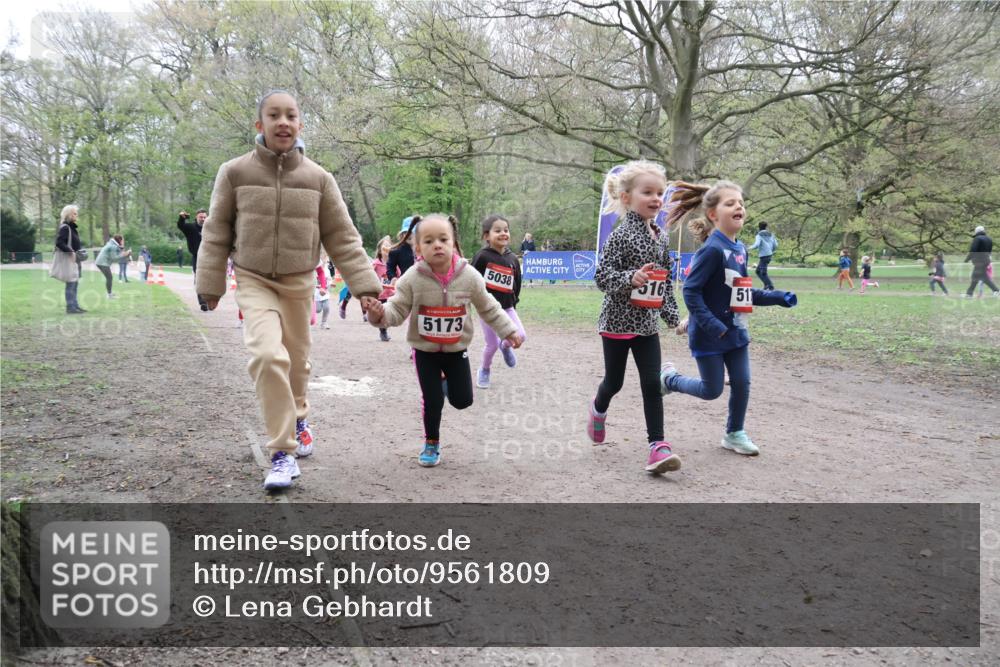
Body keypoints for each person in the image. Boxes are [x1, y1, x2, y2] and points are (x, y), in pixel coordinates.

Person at [196, 89, 381, 491]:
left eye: (291, 115)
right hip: (254, 279)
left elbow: (342, 237)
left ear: (300, 124)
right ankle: (282, 453)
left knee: (296, 363)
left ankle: (299, 418)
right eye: (274, 115)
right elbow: (216, 232)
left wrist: (365, 286)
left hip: (299, 281)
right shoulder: (234, 172)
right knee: (267, 356)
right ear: (259, 124)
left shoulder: (319, 179)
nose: (283, 122)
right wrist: (209, 284)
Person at [367, 214, 522, 467]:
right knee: (433, 400)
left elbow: (489, 307)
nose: (437, 245)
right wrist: (379, 315)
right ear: (418, 248)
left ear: (453, 243)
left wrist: (508, 330)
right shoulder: (412, 278)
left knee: (463, 401)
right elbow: (395, 311)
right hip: (424, 351)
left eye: (443, 239)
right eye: (428, 241)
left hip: (456, 350)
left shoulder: (469, 276)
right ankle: (431, 443)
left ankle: (445, 382)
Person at [660, 180, 797, 457]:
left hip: (735, 331)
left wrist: (778, 297)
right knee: (711, 390)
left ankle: (734, 433)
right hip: (710, 335)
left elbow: (742, 292)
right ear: (713, 214)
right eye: (731, 203)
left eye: (741, 203)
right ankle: (669, 379)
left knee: (742, 382)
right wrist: (712, 325)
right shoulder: (711, 250)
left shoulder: (740, 249)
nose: (739, 207)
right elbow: (691, 291)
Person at [585, 160, 681, 474]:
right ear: (627, 197)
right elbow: (602, 277)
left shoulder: (662, 237)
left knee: (652, 384)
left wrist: (673, 319)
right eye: (648, 192)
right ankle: (598, 408)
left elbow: (664, 283)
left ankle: (657, 446)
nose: (656, 199)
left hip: (646, 325)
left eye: (660, 193)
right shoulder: (621, 235)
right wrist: (631, 278)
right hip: (617, 323)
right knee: (614, 382)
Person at [472, 214, 526, 388]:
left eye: (506, 230)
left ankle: (505, 345)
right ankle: (484, 369)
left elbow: (517, 283)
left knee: (521, 336)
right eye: (497, 231)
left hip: (508, 307)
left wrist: (514, 303)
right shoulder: (482, 257)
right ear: (486, 236)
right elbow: (472, 280)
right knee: (492, 345)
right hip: (487, 310)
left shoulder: (512, 259)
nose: (503, 233)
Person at [55, 205, 86, 314]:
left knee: (75, 283)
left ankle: (75, 306)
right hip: (70, 259)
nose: (76, 215)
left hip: (75, 260)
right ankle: (70, 307)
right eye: (74, 213)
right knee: (71, 283)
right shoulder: (65, 227)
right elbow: (59, 243)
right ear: (68, 215)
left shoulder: (72, 227)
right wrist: (70, 251)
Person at [178, 209, 208, 310]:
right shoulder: (191, 228)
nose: (203, 219)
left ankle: (210, 299)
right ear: (196, 217)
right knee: (199, 278)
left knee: (210, 279)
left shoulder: (210, 227)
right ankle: (203, 302)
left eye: (204, 217)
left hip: (210, 257)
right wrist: (182, 218)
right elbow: (181, 226)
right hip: (197, 257)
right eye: (201, 217)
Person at [372, 235, 398, 342]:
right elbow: (370, 274)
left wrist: (396, 280)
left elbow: (398, 275)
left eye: (389, 246)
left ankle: (384, 329)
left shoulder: (393, 263)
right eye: (384, 247)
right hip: (380, 294)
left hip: (391, 293)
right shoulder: (376, 264)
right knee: (381, 313)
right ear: (380, 250)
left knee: (388, 313)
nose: (387, 249)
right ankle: (383, 332)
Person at [964, 225, 998, 297]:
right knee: (982, 277)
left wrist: (967, 259)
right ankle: (996, 290)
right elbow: (989, 251)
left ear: (976, 232)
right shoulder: (989, 239)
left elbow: (973, 250)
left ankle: (969, 293)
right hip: (986, 260)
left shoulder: (977, 239)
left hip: (979, 261)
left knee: (975, 276)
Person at [95, 235, 131, 299]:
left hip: (100, 262)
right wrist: (125, 254)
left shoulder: (112, 244)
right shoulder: (113, 246)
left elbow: (118, 251)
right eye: (122, 240)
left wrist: (123, 251)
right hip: (102, 263)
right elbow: (114, 258)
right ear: (119, 240)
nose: (123, 242)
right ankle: (109, 295)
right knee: (109, 278)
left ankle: (110, 293)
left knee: (109, 278)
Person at [748, 221, 777, 290]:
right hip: (769, 255)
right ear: (766, 227)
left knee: (763, 273)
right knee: (758, 271)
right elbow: (775, 245)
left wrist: (748, 248)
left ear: (759, 227)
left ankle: (770, 286)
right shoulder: (771, 235)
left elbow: (756, 245)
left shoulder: (759, 235)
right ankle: (766, 285)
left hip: (764, 256)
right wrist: (771, 250)